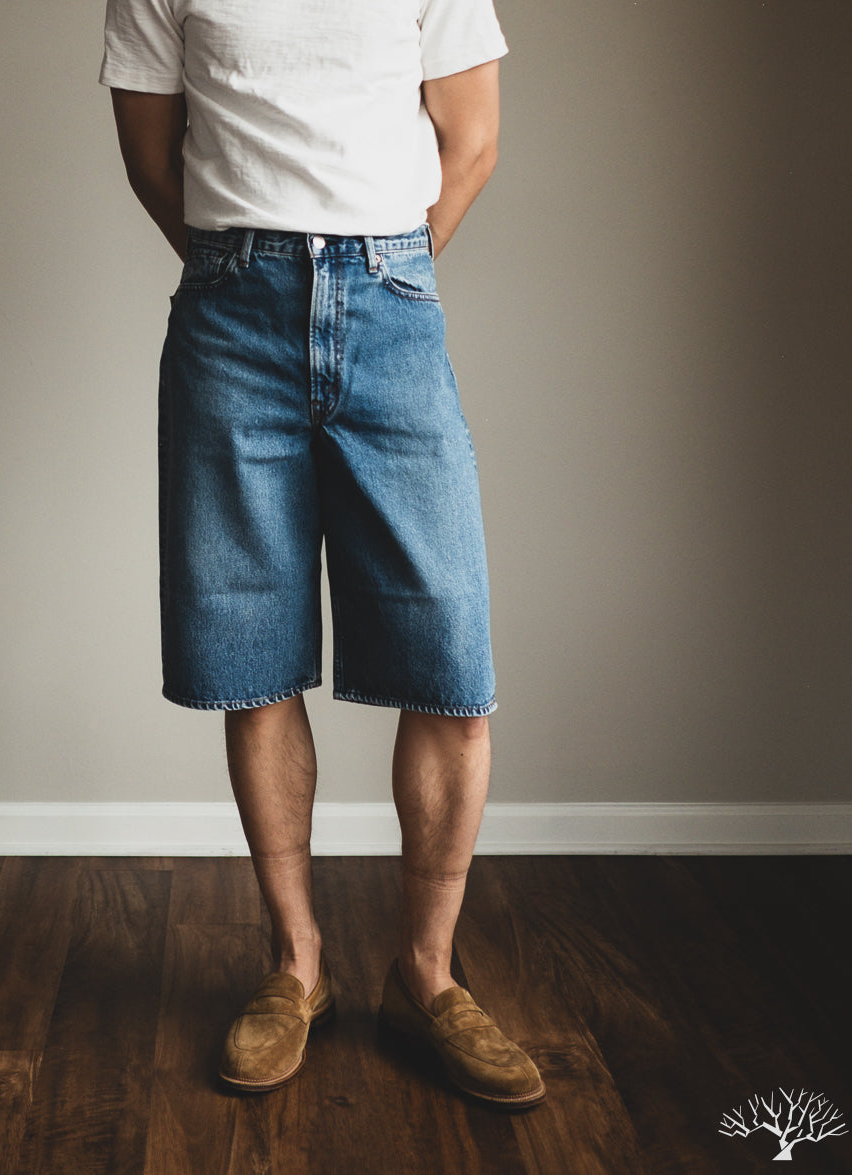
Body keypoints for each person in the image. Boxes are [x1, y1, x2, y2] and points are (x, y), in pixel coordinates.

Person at [100, 0, 544, 1109]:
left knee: (448, 661)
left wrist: (381, 271)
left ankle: (430, 975)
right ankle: (295, 966)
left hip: (392, 300)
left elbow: (473, 137)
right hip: (229, 313)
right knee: (251, 652)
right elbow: (151, 153)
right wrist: (248, 270)